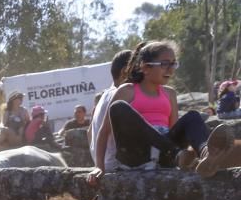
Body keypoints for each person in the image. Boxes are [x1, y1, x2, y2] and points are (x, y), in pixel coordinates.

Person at [89, 40, 215, 185]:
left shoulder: (170, 94)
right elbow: (104, 132)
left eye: (173, 64)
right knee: (118, 107)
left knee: (193, 116)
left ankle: (208, 156)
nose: (171, 69)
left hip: (164, 154)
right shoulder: (127, 90)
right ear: (145, 67)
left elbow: (173, 130)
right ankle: (176, 154)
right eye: (164, 64)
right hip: (136, 155)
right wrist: (99, 166)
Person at [89, 49, 133, 176]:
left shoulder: (105, 95)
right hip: (116, 167)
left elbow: (89, 133)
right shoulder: (121, 95)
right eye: (138, 71)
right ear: (125, 71)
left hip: (104, 164)